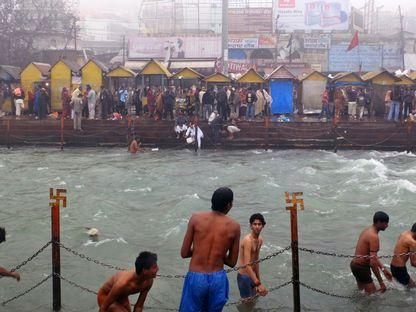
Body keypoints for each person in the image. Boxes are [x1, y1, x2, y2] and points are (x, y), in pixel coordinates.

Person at [179, 187, 241, 312]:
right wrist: (219, 253)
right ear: (229, 205)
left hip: (196, 277)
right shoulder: (234, 227)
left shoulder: (196, 218)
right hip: (218, 279)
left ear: (212, 201)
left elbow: (184, 253)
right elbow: (232, 262)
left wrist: (200, 250)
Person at [350, 211, 393, 294]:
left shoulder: (367, 230)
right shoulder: (374, 237)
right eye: (385, 223)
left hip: (355, 265)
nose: (387, 225)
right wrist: (381, 283)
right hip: (362, 268)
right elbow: (373, 263)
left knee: (362, 294)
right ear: (378, 222)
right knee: (373, 298)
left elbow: (372, 256)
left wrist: (383, 269)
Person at [237, 214, 268, 304]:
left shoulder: (260, 240)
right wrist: (258, 283)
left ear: (263, 226)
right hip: (244, 277)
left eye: (259, 224)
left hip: (252, 276)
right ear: (250, 226)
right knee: (247, 304)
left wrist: (258, 280)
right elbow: (247, 265)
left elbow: (256, 261)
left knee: (254, 301)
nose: (257, 227)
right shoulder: (248, 241)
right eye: (254, 224)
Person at [390, 223, 416, 288]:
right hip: (400, 269)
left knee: (400, 287)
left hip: (393, 266)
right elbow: (413, 263)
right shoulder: (412, 242)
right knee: (412, 288)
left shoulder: (404, 234)